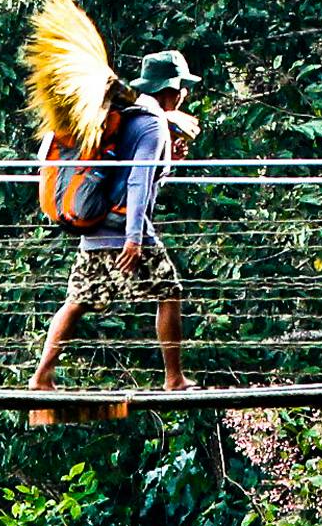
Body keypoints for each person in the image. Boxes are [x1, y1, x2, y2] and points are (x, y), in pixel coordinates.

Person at [32, 48, 199, 390]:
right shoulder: (151, 124)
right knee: (169, 293)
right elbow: (137, 181)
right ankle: (174, 379)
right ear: (171, 90)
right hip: (125, 229)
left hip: (95, 226)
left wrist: (170, 158)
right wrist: (134, 239)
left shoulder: (129, 117)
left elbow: (132, 171)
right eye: (183, 88)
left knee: (78, 301)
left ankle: (41, 376)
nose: (184, 95)